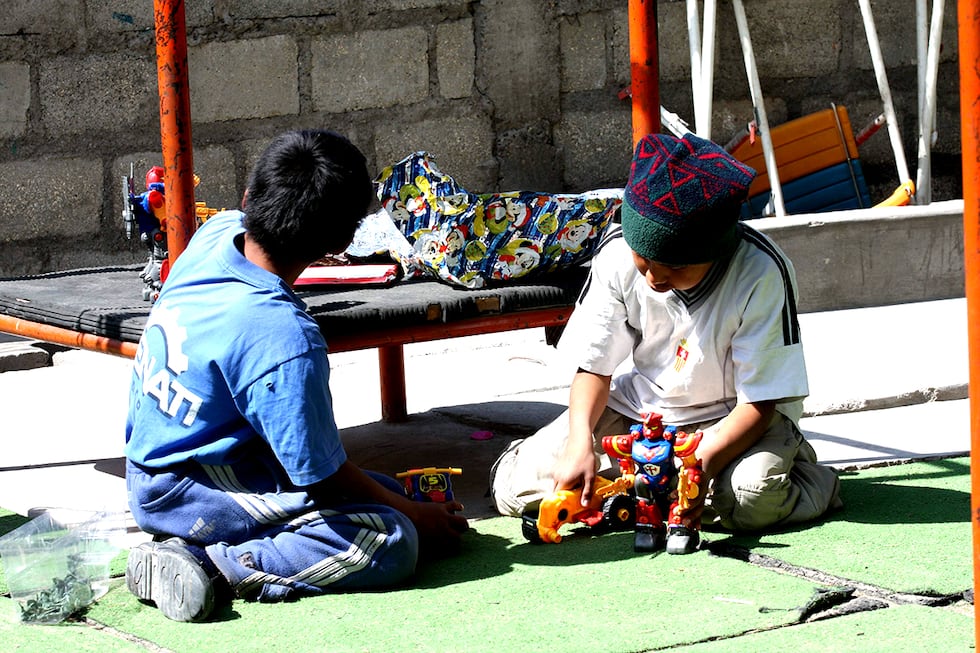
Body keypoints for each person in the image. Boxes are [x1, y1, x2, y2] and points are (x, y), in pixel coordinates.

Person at [124, 129, 469, 622]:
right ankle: (213, 563)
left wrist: (400, 499)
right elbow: (324, 479)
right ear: (343, 242)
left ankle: (201, 541)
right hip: (186, 487)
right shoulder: (285, 340)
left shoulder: (214, 233)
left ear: (249, 197)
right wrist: (415, 517)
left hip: (161, 463)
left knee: (383, 488)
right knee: (389, 538)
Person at [489, 132, 841, 552]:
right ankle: (637, 495)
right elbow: (594, 368)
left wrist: (694, 473)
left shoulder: (760, 271)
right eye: (645, 257)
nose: (654, 277)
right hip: (644, 415)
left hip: (737, 421)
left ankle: (808, 475)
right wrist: (580, 442)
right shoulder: (618, 255)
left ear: (715, 250)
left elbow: (759, 404)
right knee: (518, 490)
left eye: (674, 265)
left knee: (750, 500)